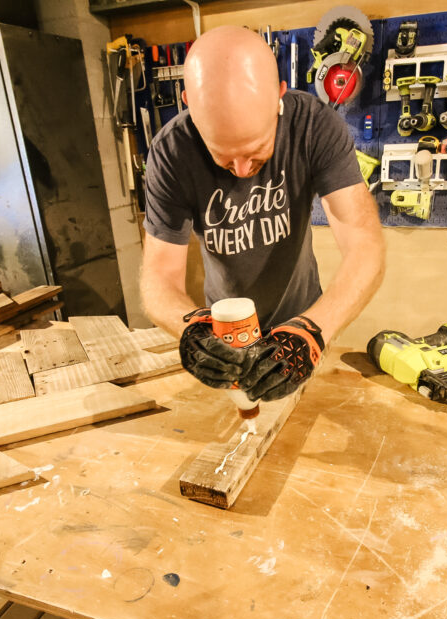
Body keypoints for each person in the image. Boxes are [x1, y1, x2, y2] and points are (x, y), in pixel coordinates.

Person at [140, 25, 384, 402]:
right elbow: (158, 274)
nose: (239, 170)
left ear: (278, 97)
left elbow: (365, 247)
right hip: (224, 332)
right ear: (189, 103)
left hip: (305, 321)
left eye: (255, 150)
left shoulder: (314, 127)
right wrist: (190, 328)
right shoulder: (172, 152)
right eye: (222, 154)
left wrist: (313, 332)